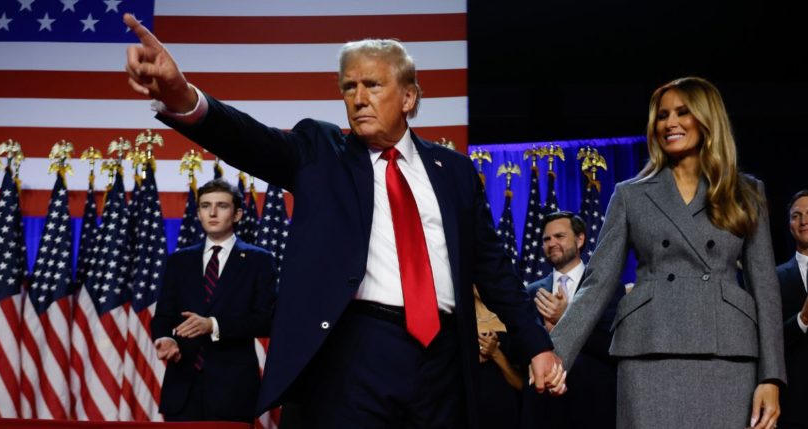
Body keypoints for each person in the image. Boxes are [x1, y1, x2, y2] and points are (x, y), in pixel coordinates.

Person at [123, 14, 565, 429]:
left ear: (408, 97)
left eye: (372, 84)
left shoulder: (454, 171)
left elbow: (494, 272)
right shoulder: (321, 151)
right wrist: (182, 94)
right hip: (354, 353)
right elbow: (248, 139)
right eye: (349, 86)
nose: (358, 98)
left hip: (445, 360)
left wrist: (539, 347)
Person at [549, 77, 785, 429]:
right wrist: (555, 354)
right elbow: (596, 284)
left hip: (727, 354)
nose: (669, 123)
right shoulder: (630, 195)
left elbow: (765, 290)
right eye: (662, 115)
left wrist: (772, 377)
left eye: (682, 112)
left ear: (707, 119)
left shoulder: (747, 192)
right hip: (649, 350)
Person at [151, 179, 277, 423]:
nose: (212, 213)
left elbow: (266, 320)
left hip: (233, 391)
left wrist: (213, 325)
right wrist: (165, 338)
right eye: (205, 206)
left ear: (238, 214)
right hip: (182, 388)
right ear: (197, 212)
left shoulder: (258, 261)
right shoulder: (179, 260)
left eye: (221, 206)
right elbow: (164, 315)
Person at [521, 211, 622, 429]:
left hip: (594, 405)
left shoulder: (607, 288)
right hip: (544, 408)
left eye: (559, 236)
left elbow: (614, 345)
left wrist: (565, 320)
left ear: (580, 239)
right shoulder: (531, 292)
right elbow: (517, 349)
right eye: (546, 239)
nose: (552, 243)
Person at [776, 189, 808, 428]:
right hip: (797, 401)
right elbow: (770, 339)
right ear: (789, 226)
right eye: (796, 216)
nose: (804, 221)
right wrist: (802, 320)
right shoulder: (775, 278)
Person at [474, 286, 524, 429]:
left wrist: (495, 353)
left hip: (510, 411)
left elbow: (523, 384)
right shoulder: (455, 320)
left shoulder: (514, 319)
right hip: (471, 413)